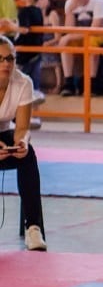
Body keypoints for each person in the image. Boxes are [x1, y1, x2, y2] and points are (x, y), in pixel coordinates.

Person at [0, 36, 46, 251]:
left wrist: (22, 143)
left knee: (28, 155)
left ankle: (33, 228)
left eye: (10, 59)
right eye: (0, 59)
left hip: (5, 133)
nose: (6, 64)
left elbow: (21, 127)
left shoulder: (23, 82)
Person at [57, 0, 103, 96]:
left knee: (91, 42)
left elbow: (95, 29)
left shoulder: (98, 1)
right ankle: (68, 83)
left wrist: (69, 36)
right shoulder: (69, 3)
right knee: (66, 44)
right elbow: (69, 30)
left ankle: (92, 84)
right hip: (81, 36)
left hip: (102, 35)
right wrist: (70, 11)